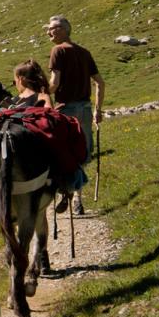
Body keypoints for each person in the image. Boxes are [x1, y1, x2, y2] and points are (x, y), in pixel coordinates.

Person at [45, 15, 104, 213]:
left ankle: (64, 190)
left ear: (62, 29)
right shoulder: (84, 52)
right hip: (85, 109)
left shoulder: (58, 51)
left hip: (65, 110)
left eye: (52, 28)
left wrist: (39, 89)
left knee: (60, 150)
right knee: (82, 151)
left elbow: (54, 84)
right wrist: (98, 110)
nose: (49, 32)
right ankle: (78, 198)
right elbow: (100, 82)